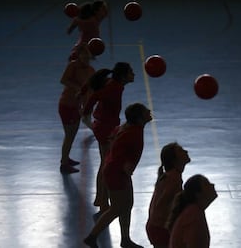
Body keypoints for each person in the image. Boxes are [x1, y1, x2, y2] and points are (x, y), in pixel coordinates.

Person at [83, 103, 152, 248]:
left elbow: (112, 137)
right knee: (116, 208)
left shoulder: (129, 128)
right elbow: (121, 154)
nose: (149, 112)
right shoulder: (133, 133)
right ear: (139, 118)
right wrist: (125, 169)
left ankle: (125, 239)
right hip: (117, 173)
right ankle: (92, 237)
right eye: (146, 111)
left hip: (117, 171)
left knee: (127, 205)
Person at [81, 62, 135, 212]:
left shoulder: (113, 83)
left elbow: (92, 84)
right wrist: (85, 112)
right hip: (105, 129)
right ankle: (102, 201)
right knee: (106, 165)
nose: (134, 74)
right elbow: (96, 95)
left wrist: (82, 92)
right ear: (124, 76)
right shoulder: (114, 87)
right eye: (131, 72)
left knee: (105, 163)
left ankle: (101, 199)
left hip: (105, 126)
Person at [58, 44, 95, 174]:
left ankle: (66, 158)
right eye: (83, 55)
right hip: (67, 105)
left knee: (72, 135)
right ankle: (63, 164)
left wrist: (85, 107)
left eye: (87, 55)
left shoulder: (91, 70)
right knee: (69, 136)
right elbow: (63, 80)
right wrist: (78, 88)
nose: (85, 57)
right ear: (78, 55)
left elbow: (90, 89)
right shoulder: (73, 66)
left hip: (77, 106)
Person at [146, 142, 191, 248]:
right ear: (175, 161)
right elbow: (162, 202)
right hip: (161, 229)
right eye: (181, 151)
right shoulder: (174, 179)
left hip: (155, 227)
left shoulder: (171, 176)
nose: (186, 151)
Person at [167, 174, 218, 248]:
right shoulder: (194, 216)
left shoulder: (193, 211)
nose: (213, 185)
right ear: (198, 194)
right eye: (207, 184)